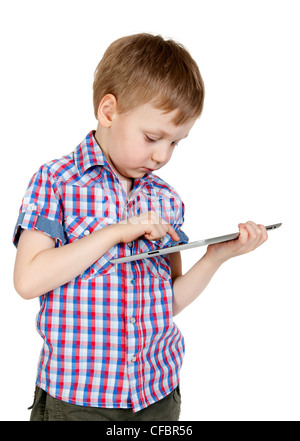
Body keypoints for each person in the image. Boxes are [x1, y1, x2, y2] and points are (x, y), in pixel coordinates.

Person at [12, 33, 268, 421]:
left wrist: (217, 257)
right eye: (152, 137)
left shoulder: (166, 199)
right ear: (109, 111)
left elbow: (168, 304)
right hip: (79, 400)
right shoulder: (56, 181)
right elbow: (28, 281)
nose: (162, 155)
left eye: (175, 143)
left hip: (158, 394)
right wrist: (116, 231)